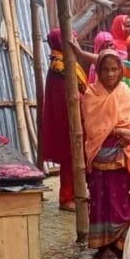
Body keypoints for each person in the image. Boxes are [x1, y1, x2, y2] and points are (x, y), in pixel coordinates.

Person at [82, 49, 130, 259]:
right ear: (98, 70)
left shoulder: (126, 92)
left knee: (126, 200)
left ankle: (122, 243)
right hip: (101, 158)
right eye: (105, 69)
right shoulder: (92, 94)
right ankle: (104, 245)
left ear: (121, 71)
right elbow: (93, 126)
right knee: (103, 201)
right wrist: (117, 131)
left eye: (114, 69)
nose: (110, 74)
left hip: (125, 157)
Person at [42, 28, 89, 211]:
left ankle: (77, 193)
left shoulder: (66, 62)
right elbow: (65, 97)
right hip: (67, 119)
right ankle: (66, 198)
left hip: (74, 116)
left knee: (77, 158)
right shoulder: (59, 67)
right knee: (71, 158)